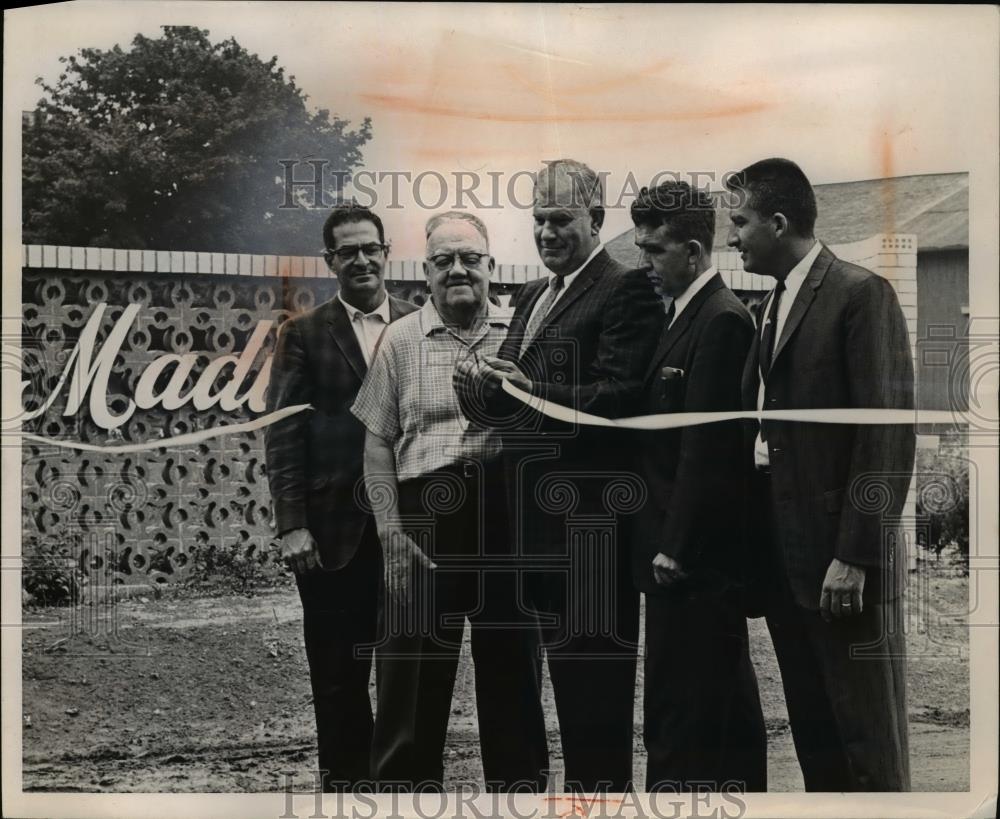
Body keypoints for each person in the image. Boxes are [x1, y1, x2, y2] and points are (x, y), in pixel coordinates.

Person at [455, 160, 663, 793]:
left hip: (588, 536)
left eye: (561, 220)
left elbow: (622, 398)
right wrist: (484, 386)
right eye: (538, 220)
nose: (546, 233)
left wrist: (527, 389)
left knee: (593, 709)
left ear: (596, 220)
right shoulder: (533, 295)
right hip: (530, 534)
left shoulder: (625, 288)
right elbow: (521, 402)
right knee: (543, 702)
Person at [727, 158, 915, 791]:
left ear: (779, 224)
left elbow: (885, 434)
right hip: (788, 566)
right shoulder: (771, 308)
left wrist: (855, 556)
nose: (733, 237)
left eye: (741, 222)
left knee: (868, 744)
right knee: (818, 740)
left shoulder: (861, 295)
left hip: (841, 566)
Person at [351, 211, 548, 791]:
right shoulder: (401, 338)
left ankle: (520, 800)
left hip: (502, 516)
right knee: (409, 682)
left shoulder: (521, 333)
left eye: (470, 259)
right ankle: (403, 800)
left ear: (490, 266)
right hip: (423, 519)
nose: (457, 270)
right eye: (443, 261)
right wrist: (389, 533)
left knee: (513, 674)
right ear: (426, 271)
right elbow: (377, 441)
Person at [264, 203, 417, 791]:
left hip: (409, 526)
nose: (361, 259)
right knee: (337, 675)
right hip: (332, 533)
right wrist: (291, 524)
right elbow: (283, 433)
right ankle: (348, 794)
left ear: (386, 252)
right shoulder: (302, 334)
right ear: (331, 261)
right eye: (347, 250)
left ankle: (402, 789)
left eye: (369, 248)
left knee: (407, 672)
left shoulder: (419, 322)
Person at [629, 181, 767, 792]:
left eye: (655, 251)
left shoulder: (721, 320)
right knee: (703, 704)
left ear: (692, 249)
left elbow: (710, 450)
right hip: (677, 557)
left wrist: (677, 546)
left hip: (694, 562)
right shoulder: (683, 315)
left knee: (692, 712)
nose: (646, 263)